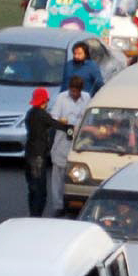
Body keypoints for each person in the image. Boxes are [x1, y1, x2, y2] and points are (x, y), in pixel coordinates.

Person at [24, 87, 70, 217]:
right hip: (39, 157)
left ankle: (32, 214)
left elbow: (49, 121)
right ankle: (36, 217)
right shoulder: (42, 115)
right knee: (40, 191)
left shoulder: (30, 113)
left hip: (29, 155)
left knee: (32, 189)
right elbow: (56, 125)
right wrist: (70, 129)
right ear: (44, 101)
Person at [49, 77, 90, 214]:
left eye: (76, 92)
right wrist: (64, 123)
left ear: (80, 91)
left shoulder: (86, 98)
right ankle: (58, 206)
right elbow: (53, 117)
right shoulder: (61, 98)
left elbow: (89, 119)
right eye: (71, 91)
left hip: (79, 143)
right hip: (62, 141)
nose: (73, 94)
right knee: (58, 177)